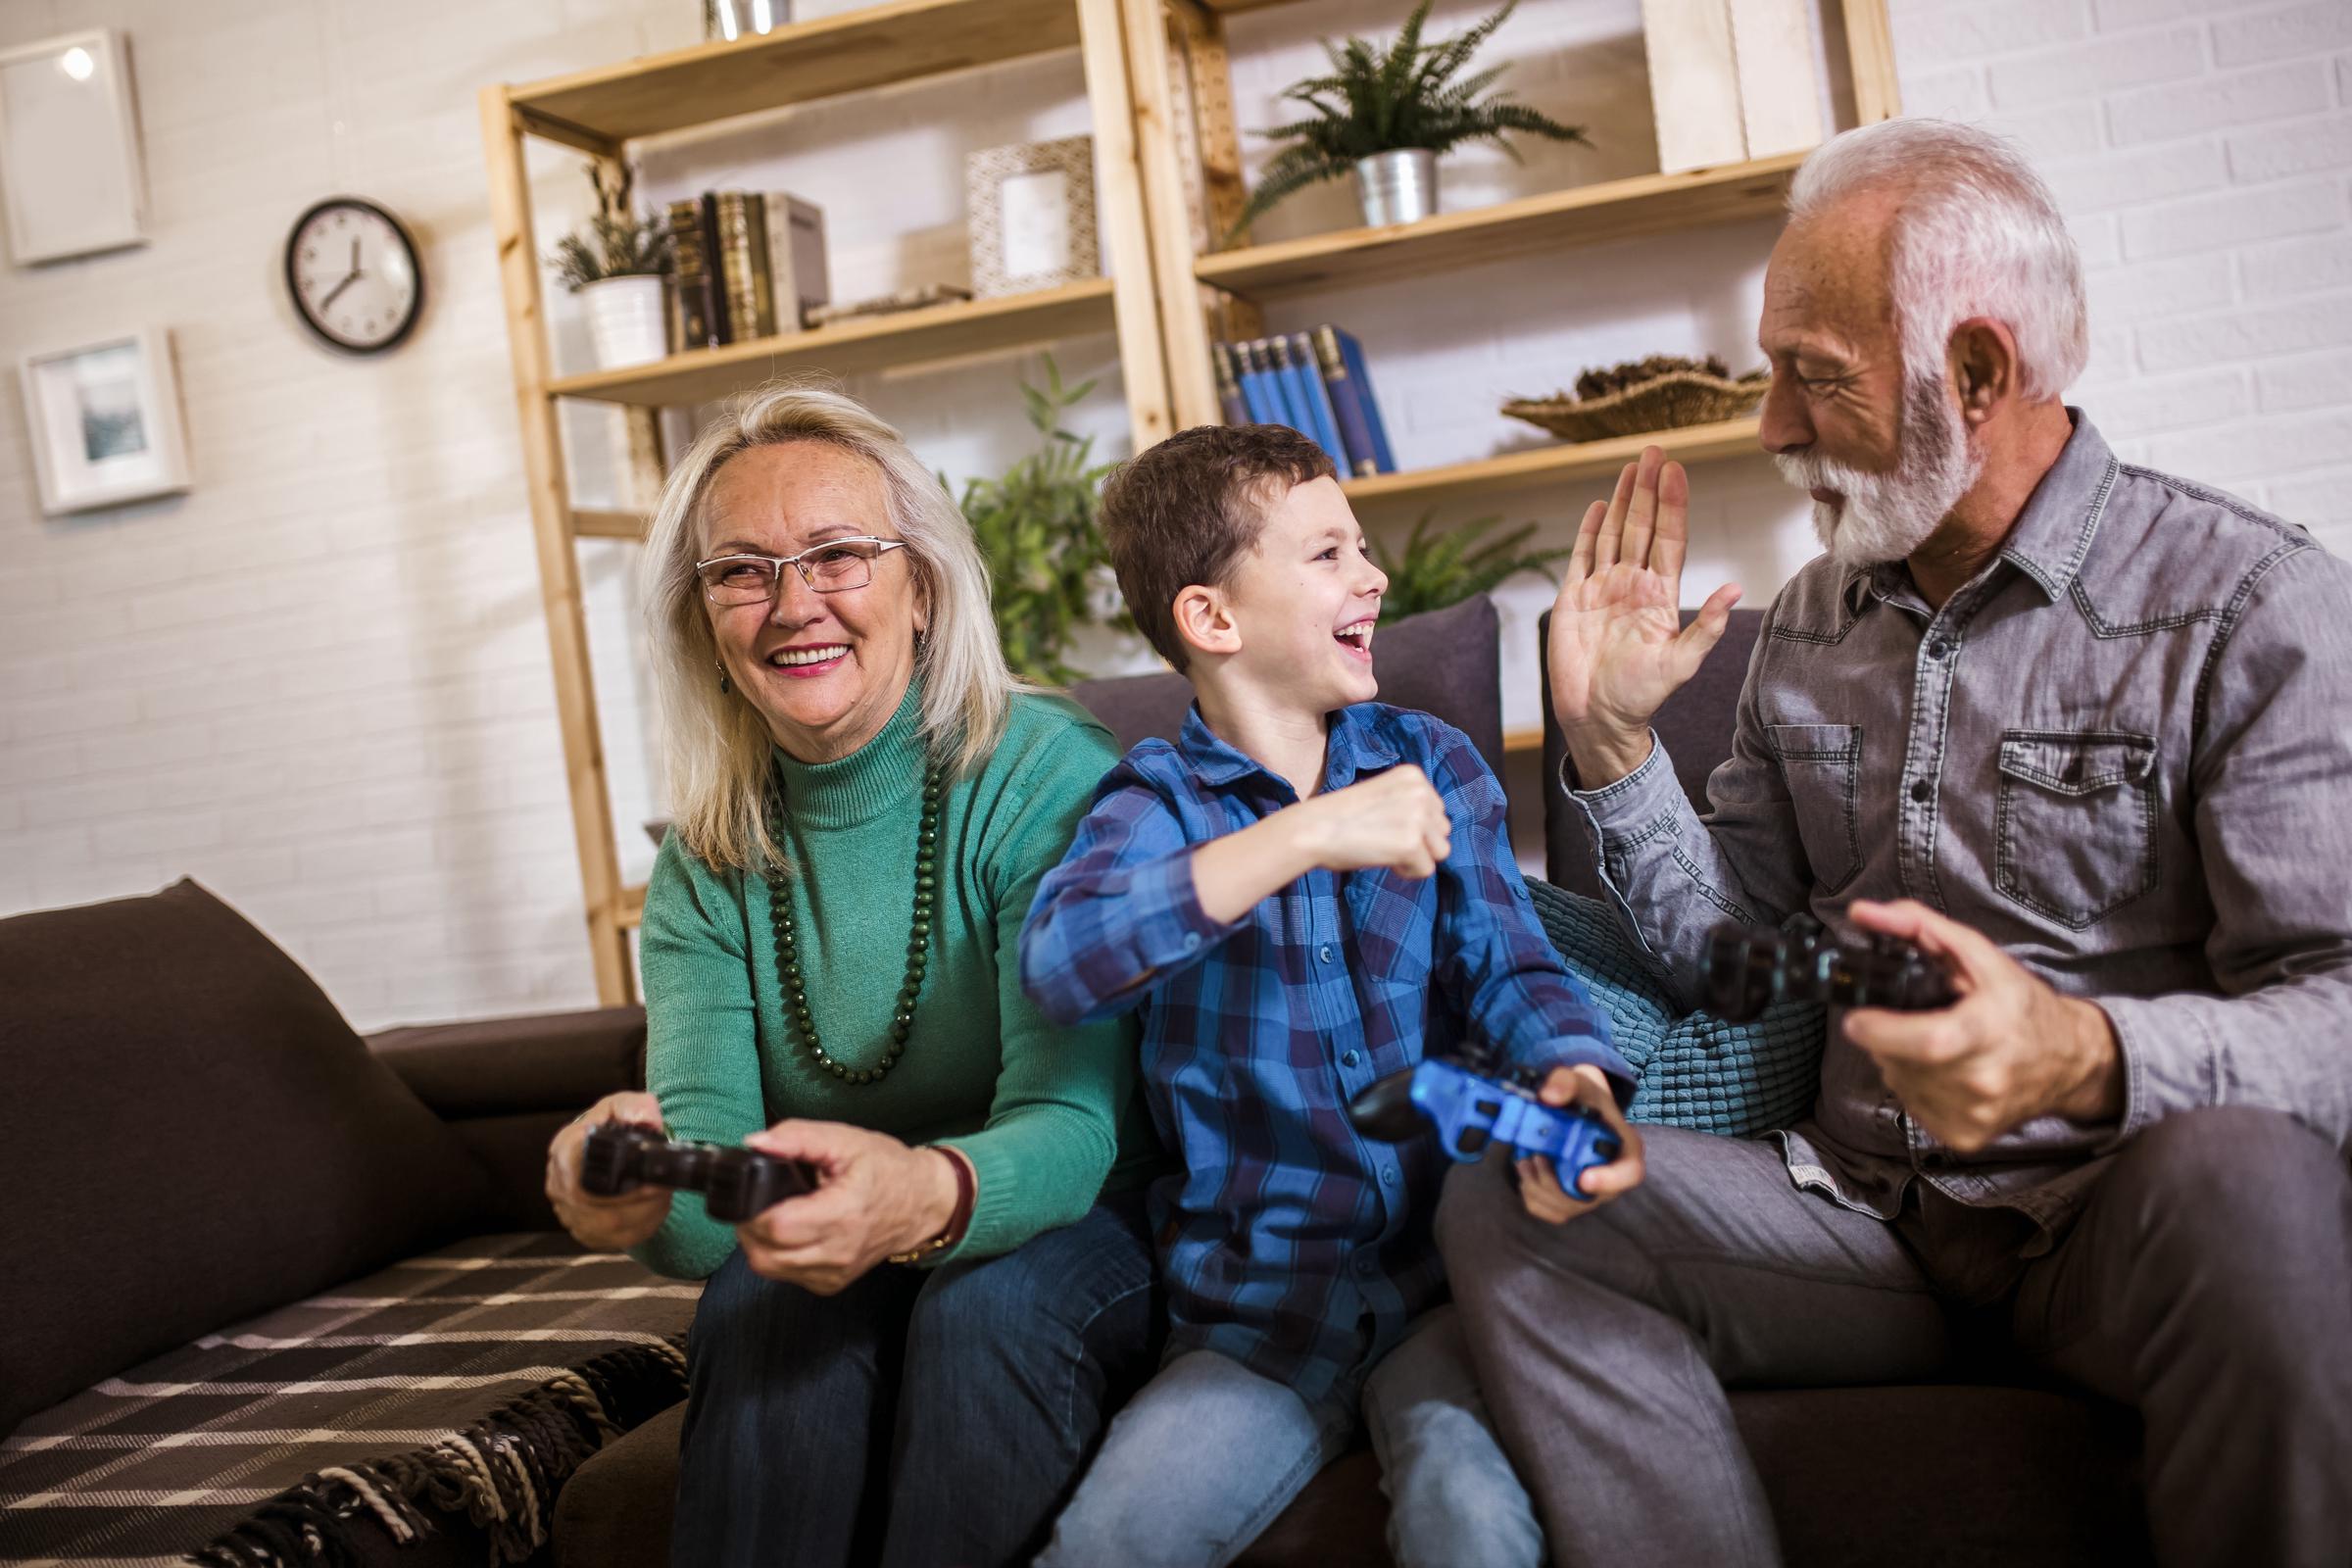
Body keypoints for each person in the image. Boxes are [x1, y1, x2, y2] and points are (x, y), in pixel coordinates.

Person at [1438, 117, 2352, 1566]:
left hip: (2120, 1220)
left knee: (2254, 1180)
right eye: (1770, 372)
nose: (1772, 428)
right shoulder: (1811, 622)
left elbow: (2342, 1003)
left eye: (1814, 377)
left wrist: (2087, 1057)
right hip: (1862, 1216)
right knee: (1521, 1184)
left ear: (1979, 374)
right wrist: (1610, 748)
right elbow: (1730, 956)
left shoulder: (2250, 606)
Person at [540, 383, 1164, 1568]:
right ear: (702, 621)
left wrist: (922, 1195)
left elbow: (1074, 1125)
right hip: (844, 1227)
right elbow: (708, 1201)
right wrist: (637, 1195)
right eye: (743, 571)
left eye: (838, 555)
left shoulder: (1048, 776)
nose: (793, 605)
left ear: (920, 589)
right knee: (759, 1302)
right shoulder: (706, 862)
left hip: (1091, 1213)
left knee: (986, 1309)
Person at [1019, 422, 1642, 1568]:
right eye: (1327, 556)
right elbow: (1065, 962)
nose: (1374, 576)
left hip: (1450, 1292)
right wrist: (1304, 834)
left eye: (1361, 547)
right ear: (1213, 619)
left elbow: (1512, 966)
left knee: (1473, 1521)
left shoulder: (1432, 759)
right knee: (1104, 1546)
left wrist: (1577, 1079)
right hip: (1258, 1321)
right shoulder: (1152, 804)